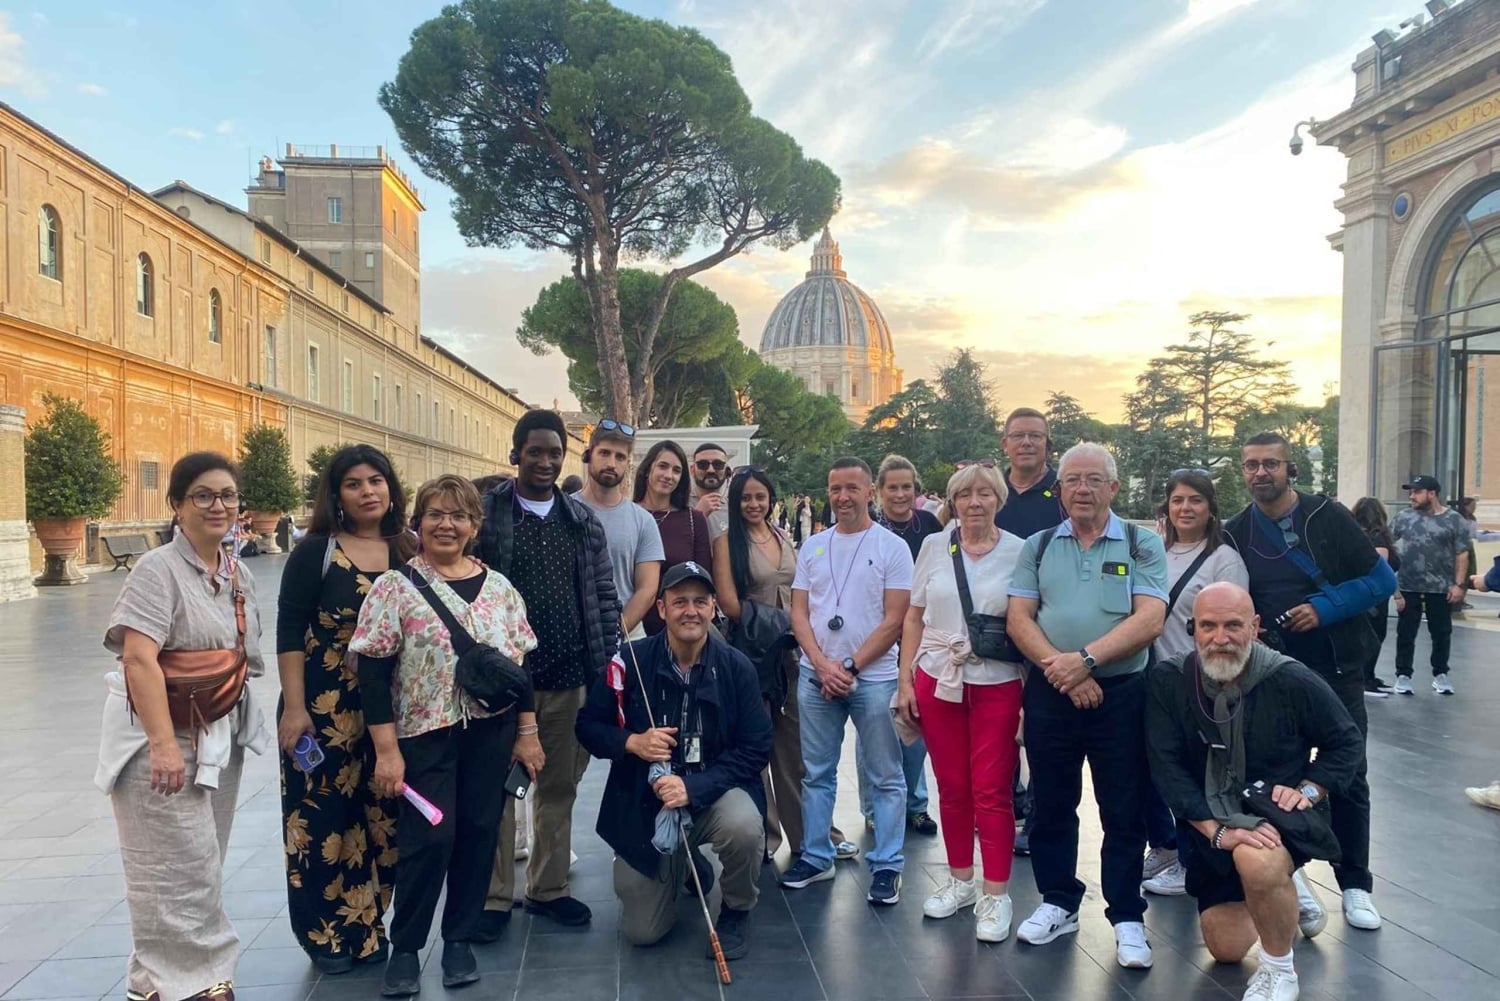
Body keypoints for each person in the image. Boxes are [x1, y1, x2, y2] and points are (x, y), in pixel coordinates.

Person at [349, 474, 539, 995]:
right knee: (428, 840)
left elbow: (520, 668)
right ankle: (407, 946)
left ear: (475, 525)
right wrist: (386, 750)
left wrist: (527, 733)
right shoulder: (395, 588)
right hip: (423, 735)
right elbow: (373, 676)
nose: (446, 525)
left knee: (479, 833)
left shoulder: (499, 589)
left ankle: (459, 938)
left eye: (458, 515)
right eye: (435, 514)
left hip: (490, 733)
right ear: (418, 523)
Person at [97, 452, 271, 1001]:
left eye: (228, 495)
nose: (218, 505)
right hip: (162, 739)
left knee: (199, 862)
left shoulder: (237, 573)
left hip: (215, 736)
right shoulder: (158, 570)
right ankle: (197, 983)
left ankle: (152, 982)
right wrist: (163, 745)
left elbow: (244, 657)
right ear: (177, 505)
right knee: (173, 867)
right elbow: (138, 659)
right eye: (203, 495)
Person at [1146, 583, 1366, 1001]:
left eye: (1233, 625)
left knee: (1256, 857)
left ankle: (1280, 969)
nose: (1220, 638)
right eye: (1208, 626)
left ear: (1255, 626)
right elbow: (1166, 766)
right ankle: (1281, 893)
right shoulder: (1170, 680)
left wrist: (1310, 789)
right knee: (1226, 949)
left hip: (1276, 815)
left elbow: (1346, 741)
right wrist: (1216, 833)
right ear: (1193, 629)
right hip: (1210, 818)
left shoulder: (1290, 678)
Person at [1224, 431, 1396, 932]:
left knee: (1349, 774)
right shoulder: (1236, 530)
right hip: (1272, 675)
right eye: (1252, 465)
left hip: (1337, 668)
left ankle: (1356, 884)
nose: (1261, 473)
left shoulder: (1328, 516)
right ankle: (1290, 876)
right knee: (1271, 775)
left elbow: (1382, 581)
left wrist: (1325, 607)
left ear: (1289, 468)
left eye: (1270, 464)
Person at [1006, 442, 1167, 969]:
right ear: (1060, 489)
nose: (1081, 489)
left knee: (1123, 806)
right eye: (1072, 480)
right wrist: (1065, 670)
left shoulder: (1141, 543)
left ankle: (1126, 915)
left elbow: (1150, 619)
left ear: (1113, 487)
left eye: (1093, 479)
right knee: (1051, 803)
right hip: (1052, 692)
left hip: (1122, 694)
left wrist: (1086, 661)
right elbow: (1019, 619)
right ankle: (1058, 900)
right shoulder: (1038, 546)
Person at [577, 561, 773, 958]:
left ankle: (737, 909)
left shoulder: (736, 668)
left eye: (700, 601)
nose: (690, 611)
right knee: (643, 933)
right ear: (662, 608)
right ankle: (685, 864)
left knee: (744, 827)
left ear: (713, 608)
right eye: (680, 601)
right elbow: (588, 726)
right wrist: (631, 742)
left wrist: (694, 787)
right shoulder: (629, 661)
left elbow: (756, 747)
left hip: (714, 793)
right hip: (647, 802)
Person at [477, 409, 620, 933]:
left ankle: (548, 887)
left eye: (554, 453)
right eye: (534, 451)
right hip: (502, 683)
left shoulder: (581, 521)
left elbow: (603, 595)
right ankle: (493, 898)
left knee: (558, 788)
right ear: (515, 453)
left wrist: (604, 666)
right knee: (499, 791)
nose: (544, 461)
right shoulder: (486, 515)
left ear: (565, 458)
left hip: (568, 679)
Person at [275, 445, 415, 973]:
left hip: (391, 708)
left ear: (390, 488)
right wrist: (294, 708)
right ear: (336, 494)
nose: (367, 492)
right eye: (353, 483)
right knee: (322, 820)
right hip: (323, 708)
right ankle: (326, 936)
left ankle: (369, 925)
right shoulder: (316, 552)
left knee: (384, 817)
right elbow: (290, 631)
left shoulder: (409, 549)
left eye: (375, 480)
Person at [895, 461, 1025, 941]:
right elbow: (914, 616)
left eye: (984, 493)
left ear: (999, 500)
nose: (974, 502)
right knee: (951, 786)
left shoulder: (1020, 551)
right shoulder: (935, 545)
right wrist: (906, 680)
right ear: (952, 501)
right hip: (938, 675)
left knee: (991, 788)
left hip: (997, 680)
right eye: (965, 494)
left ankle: (996, 893)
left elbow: (1028, 619)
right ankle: (960, 879)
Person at [779, 458, 914, 904]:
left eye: (852, 488)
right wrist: (821, 664)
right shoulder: (814, 546)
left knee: (885, 775)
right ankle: (817, 856)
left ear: (869, 491)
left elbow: (895, 619)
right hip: (816, 677)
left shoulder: (893, 548)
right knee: (816, 773)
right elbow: (799, 612)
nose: (843, 497)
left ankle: (887, 865)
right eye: (835, 488)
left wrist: (850, 666)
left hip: (874, 678)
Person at [713, 468, 853, 863]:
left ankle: (813, 833)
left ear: (771, 499)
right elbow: (729, 604)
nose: (753, 504)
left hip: (792, 653)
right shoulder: (726, 542)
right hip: (752, 656)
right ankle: (764, 837)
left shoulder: (781, 536)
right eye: (745, 497)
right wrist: (781, 622)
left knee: (798, 747)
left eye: (760, 496)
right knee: (756, 747)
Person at [1143, 469, 1249, 897]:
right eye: (1177, 500)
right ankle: (1166, 846)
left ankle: (1192, 861)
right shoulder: (1154, 551)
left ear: (1210, 508)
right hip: (1154, 677)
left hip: (1200, 682)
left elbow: (1234, 621)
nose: (1185, 508)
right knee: (1154, 767)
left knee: (1192, 772)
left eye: (1195, 500)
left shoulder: (1224, 559)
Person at [995, 408, 1067, 858]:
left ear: (1047, 444)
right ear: (1004, 443)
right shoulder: (992, 490)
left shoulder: (1064, 492)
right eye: (1018, 436)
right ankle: (1007, 805)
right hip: (996, 628)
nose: (1026, 443)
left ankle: (1038, 818)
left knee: (1042, 730)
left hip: (1049, 625)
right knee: (1000, 724)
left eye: (1035, 436)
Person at [867, 454, 943, 837]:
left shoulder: (929, 525)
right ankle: (873, 808)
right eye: (892, 487)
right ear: (879, 491)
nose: (900, 494)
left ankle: (915, 804)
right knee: (877, 733)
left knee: (915, 724)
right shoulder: (868, 529)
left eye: (906, 487)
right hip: (880, 640)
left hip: (922, 639)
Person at [573, 419, 664, 642]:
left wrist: (613, 634)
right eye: (604, 453)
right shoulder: (564, 510)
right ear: (590, 453)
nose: (611, 463)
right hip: (571, 637)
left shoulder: (643, 520)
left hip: (628, 639)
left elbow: (647, 590)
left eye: (620, 457)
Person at [1390, 476, 1469, 696]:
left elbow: (1462, 553)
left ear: (1432, 493)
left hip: (1441, 587)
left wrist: (1459, 585)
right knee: (1406, 632)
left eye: (1417, 492)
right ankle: (1403, 675)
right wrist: (1394, 587)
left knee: (1441, 633)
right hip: (1408, 585)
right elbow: (1387, 544)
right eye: (1411, 492)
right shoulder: (1403, 518)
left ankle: (1441, 674)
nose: (1412, 496)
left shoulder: (1454, 520)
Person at [635, 439, 712, 636]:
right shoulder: (628, 515)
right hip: (631, 628)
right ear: (648, 469)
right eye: (663, 466)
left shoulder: (695, 520)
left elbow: (703, 581)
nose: (669, 475)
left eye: (676, 470)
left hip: (679, 631)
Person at [1350, 497, 1399, 697]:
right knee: (1374, 637)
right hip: (1375, 597)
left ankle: (1368, 676)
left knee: (1367, 637)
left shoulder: (1355, 536)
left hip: (1362, 594)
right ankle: (1365, 679)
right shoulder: (1378, 539)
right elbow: (1380, 569)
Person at [689, 442, 731, 538]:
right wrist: (697, 516)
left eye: (718, 464)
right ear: (692, 470)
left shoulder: (734, 508)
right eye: (703, 464)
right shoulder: (679, 504)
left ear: (727, 471)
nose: (710, 470)